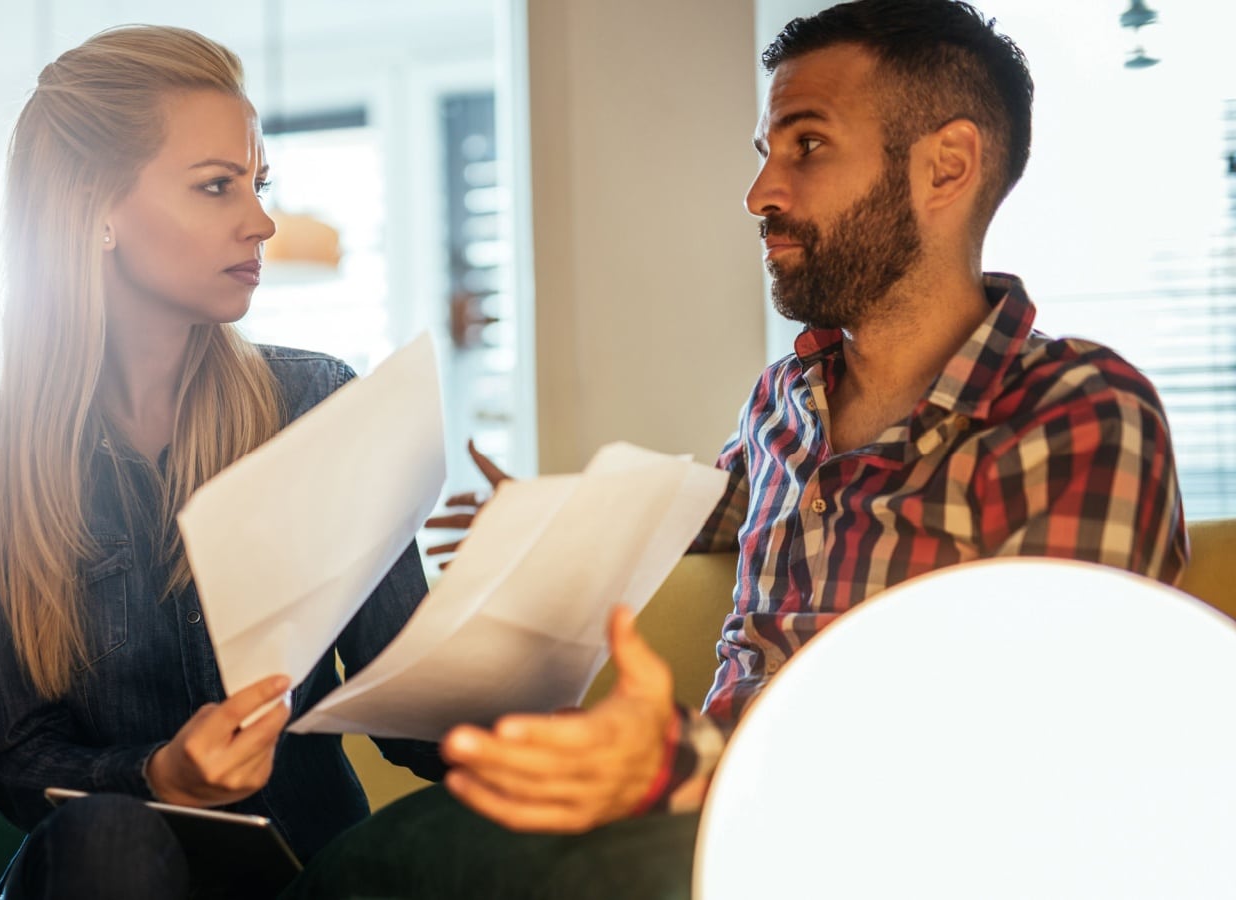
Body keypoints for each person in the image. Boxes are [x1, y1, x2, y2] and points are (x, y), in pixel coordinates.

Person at [282, 1, 1189, 896]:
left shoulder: (1075, 411)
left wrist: (684, 756)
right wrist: (542, 522)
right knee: (375, 862)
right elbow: (705, 510)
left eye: (807, 146)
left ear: (945, 167)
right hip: (700, 807)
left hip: (885, 850)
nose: (760, 194)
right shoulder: (785, 402)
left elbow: (1046, 734)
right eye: (766, 155)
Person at [0, 26, 443, 900]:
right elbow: (15, 762)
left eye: (258, 184)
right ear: (97, 211)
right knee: (113, 841)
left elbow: (410, 716)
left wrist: (507, 655)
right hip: (97, 871)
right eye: (216, 185)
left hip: (302, 872)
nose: (262, 220)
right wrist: (158, 776)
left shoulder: (318, 407)